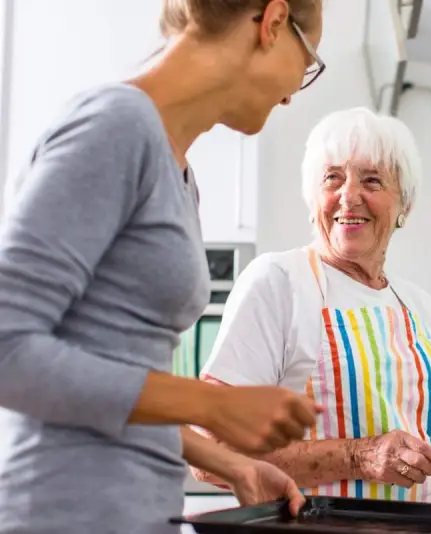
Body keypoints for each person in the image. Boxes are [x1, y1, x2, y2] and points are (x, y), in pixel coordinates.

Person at [0, 1, 327, 532]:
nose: (293, 93)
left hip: (139, 510)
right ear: (271, 23)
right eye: (307, 62)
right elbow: (6, 347)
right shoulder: (115, 126)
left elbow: (118, 383)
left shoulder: (181, 175)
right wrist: (211, 405)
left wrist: (233, 462)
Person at [192, 107, 431, 504]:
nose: (349, 196)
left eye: (371, 180)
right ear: (312, 197)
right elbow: (209, 449)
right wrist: (359, 457)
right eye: (332, 178)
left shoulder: (416, 304)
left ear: (405, 205)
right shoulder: (278, 281)